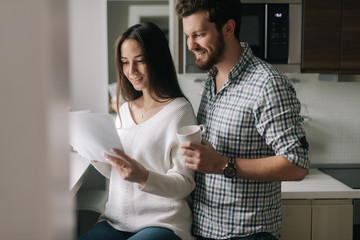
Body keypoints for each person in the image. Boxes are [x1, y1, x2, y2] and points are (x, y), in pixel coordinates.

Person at [175, 1, 309, 239]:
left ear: (228, 29)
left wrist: (221, 164)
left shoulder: (267, 83)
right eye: (188, 35)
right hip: (205, 228)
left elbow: (296, 164)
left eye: (199, 34)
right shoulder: (212, 77)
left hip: (247, 232)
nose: (191, 45)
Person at [77, 22, 197, 240]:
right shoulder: (124, 111)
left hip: (162, 223)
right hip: (116, 222)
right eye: (125, 62)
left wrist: (144, 176)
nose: (131, 71)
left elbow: (186, 183)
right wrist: (91, 152)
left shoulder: (179, 111)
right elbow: (118, 172)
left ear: (157, 59)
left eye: (140, 61)